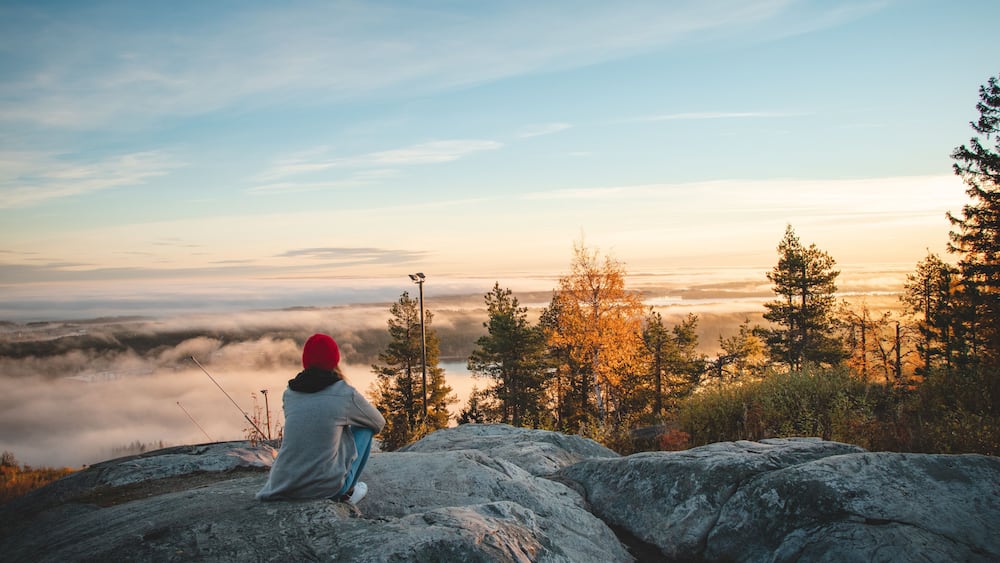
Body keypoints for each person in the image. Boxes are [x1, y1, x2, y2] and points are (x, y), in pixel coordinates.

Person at [256, 333, 386, 503]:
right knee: (365, 427)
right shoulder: (344, 393)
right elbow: (378, 421)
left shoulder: (290, 393)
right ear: (335, 360)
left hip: (283, 484)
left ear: (305, 361)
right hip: (326, 489)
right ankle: (349, 492)